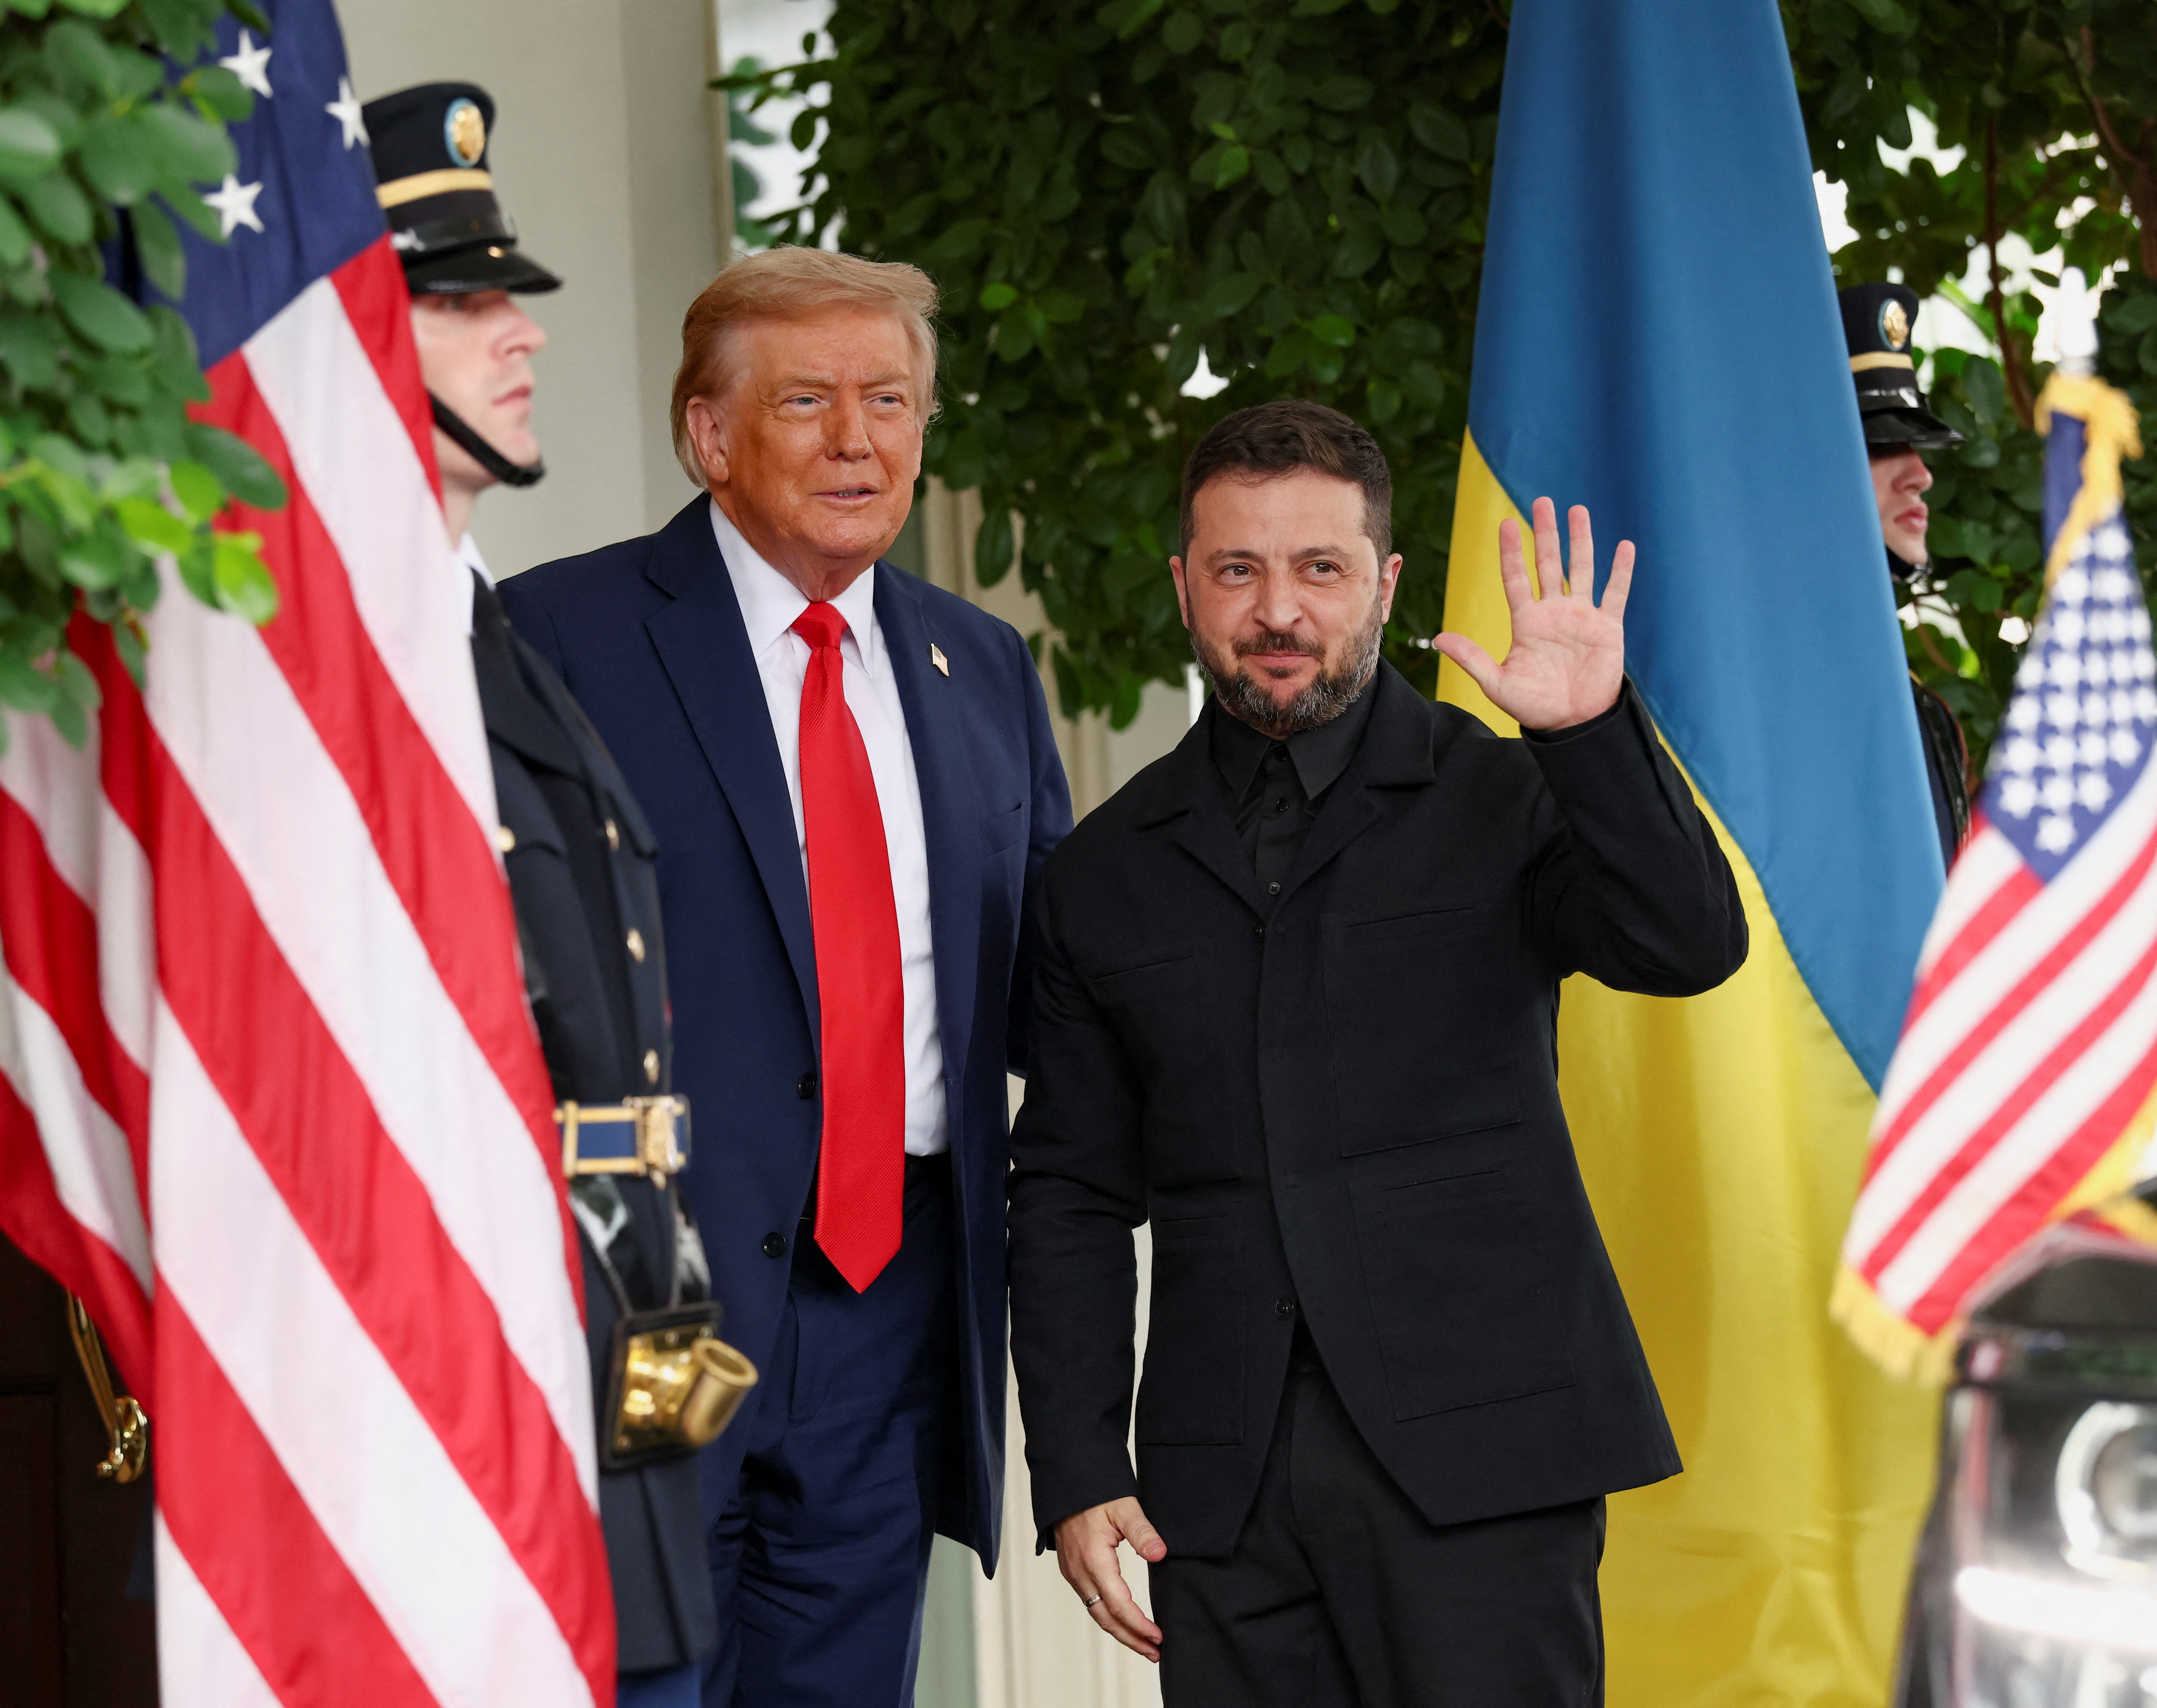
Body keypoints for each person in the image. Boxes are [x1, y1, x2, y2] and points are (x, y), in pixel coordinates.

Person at [1007, 401, 1749, 1706]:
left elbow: (1687, 940)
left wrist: (1588, 732)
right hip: (1219, 1487)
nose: (1278, 610)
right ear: (1184, 584)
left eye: (1320, 569)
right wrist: (1076, 1465)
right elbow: (1067, 1189)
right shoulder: (1099, 874)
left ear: (1385, 585)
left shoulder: (1507, 790)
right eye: (1238, 570)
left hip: (1488, 1463)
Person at [499, 248, 1073, 1707]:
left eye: (889, 400)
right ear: (709, 435)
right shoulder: (553, 639)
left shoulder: (982, 669)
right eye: (807, 401)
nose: (858, 441)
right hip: (640, 1302)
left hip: (893, 1309)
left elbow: (1063, 992)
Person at [364, 83, 718, 1704]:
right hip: (470, 1380)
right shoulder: (342, 671)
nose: (522, 334)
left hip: (612, 1347)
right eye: (458, 300)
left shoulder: (484, 626)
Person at [1839, 281, 1975, 863]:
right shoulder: (1761, 680)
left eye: (1915, 445)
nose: (1920, 474)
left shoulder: (1924, 709)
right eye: (1878, 445)